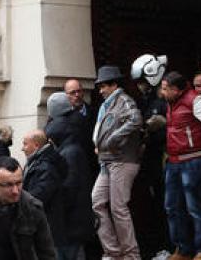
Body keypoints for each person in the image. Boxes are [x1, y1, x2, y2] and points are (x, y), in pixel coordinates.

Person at [160, 71, 201, 260]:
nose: (162, 92)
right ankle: (183, 249)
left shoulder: (195, 100)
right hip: (174, 161)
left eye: (165, 89)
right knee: (172, 207)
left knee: (196, 207)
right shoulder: (171, 103)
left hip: (193, 160)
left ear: (176, 90)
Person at [92, 65, 144, 260]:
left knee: (118, 208)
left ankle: (131, 255)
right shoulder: (109, 104)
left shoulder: (123, 100)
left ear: (114, 85)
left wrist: (113, 138)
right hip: (108, 161)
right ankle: (113, 252)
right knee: (97, 202)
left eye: (103, 86)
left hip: (122, 160)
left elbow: (136, 119)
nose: (100, 90)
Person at [45, 92, 98, 260]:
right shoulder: (72, 143)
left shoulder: (69, 153)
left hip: (71, 223)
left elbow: (70, 189)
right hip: (74, 222)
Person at [129, 54, 172, 259]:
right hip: (149, 163)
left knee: (168, 205)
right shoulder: (145, 101)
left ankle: (170, 246)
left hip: (165, 160)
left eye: (142, 82)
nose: (139, 86)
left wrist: (163, 124)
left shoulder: (164, 101)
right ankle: (157, 245)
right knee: (154, 206)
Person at [21, 129, 67, 258]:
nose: (22, 148)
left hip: (47, 228)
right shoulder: (37, 161)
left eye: (25, 144)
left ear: (36, 145)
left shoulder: (46, 166)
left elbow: (39, 196)